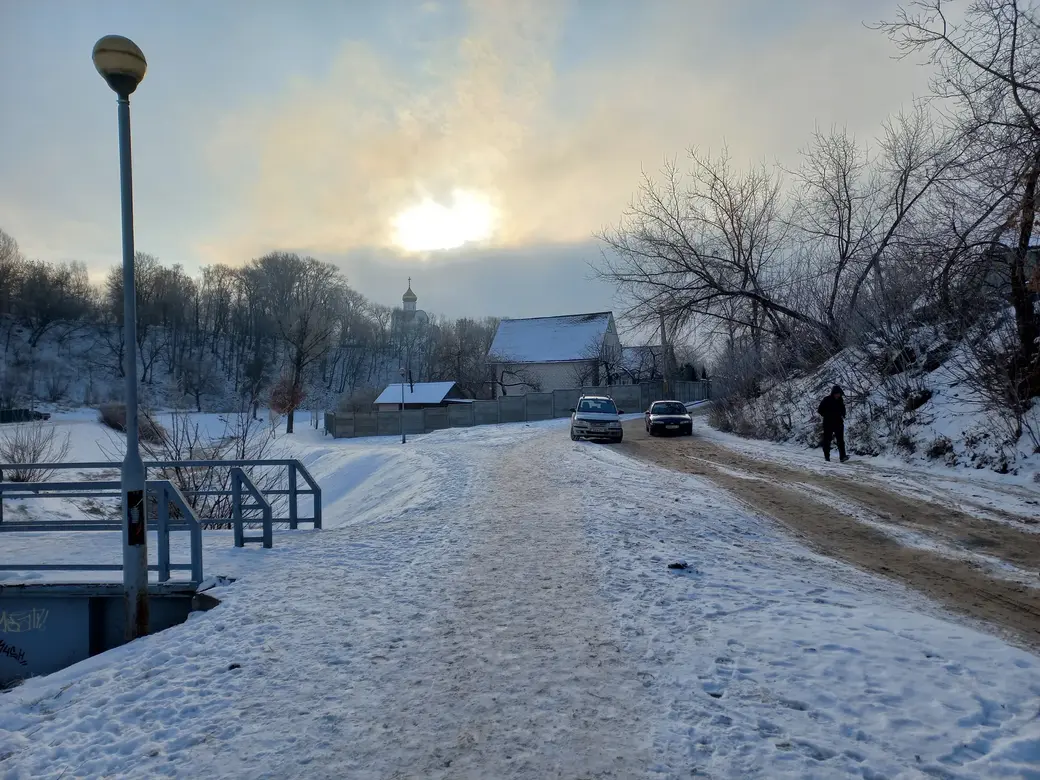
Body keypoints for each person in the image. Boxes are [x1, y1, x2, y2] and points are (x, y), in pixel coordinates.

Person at [817, 385, 848, 462]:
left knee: (841, 440)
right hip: (828, 423)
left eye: (840, 394)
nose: (838, 395)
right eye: (837, 393)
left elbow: (843, 409)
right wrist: (826, 415)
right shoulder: (827, 400)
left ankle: (842, 456)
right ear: (833, 393)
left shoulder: (840, 401)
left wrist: (843, 415)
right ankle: (827, 457)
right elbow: (820, 410)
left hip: (839, 423)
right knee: (827, 440)